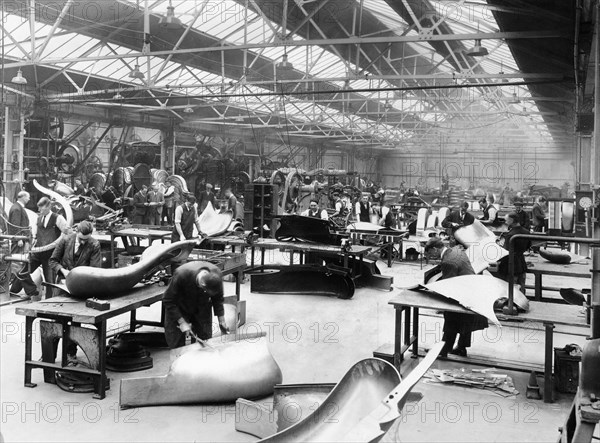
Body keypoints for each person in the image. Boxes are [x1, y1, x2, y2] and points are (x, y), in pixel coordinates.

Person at [424, 237, 488, 358]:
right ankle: (461, 348)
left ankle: (443, 351)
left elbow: (450, 286)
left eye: (430, 253)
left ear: (435, 249)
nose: (431, 256)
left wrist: (435, 294)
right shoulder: (456, 251)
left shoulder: (448, 261)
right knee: (465, 320)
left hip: (464, 292)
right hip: (473, 289)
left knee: (450, 318)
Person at [49, 221, 102, 358]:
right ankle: (50, 354)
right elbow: (53, 261)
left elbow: (94, 271)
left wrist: (79, 278)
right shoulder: (66, 240)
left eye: (87, 239)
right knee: (56, 320)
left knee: (74, 321)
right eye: (81, 239)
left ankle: (70, 353)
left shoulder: (94, 244)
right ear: (76, 232)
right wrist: (63, 271)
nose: (84, 242)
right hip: (61, 286)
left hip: (79, 288)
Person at [11, 197, 69, 300]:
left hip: (51, 254)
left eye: (41, 208)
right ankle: (32, 291)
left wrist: (57, 244)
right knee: (23, 272)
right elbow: (35, 235)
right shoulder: (39, 218)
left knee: (49, 281)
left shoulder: (58, 218)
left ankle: (49, 301)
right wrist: (30, 244)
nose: (39, 210)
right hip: (38, 252)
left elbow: (67, 233)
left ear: (48, 207)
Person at [163, 261, 230, 349]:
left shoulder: (216, 275)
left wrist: (222, 320)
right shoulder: (181, 275)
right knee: (176, 343)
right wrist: (182, 322)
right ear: (202, 285)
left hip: (202, 306)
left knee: (206, 340)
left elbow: (218, 298)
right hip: (180, 306)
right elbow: (168, 299)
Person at [496, 212, 531, 294]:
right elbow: (528, 246)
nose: (505, 222)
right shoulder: (526, 232)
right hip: (521, 264)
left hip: (511, 265)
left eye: (506, 220)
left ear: (511, 220)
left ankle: (512, 304)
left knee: (511, 288)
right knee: (521, 285)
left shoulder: (510, 235)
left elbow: (505, 251)